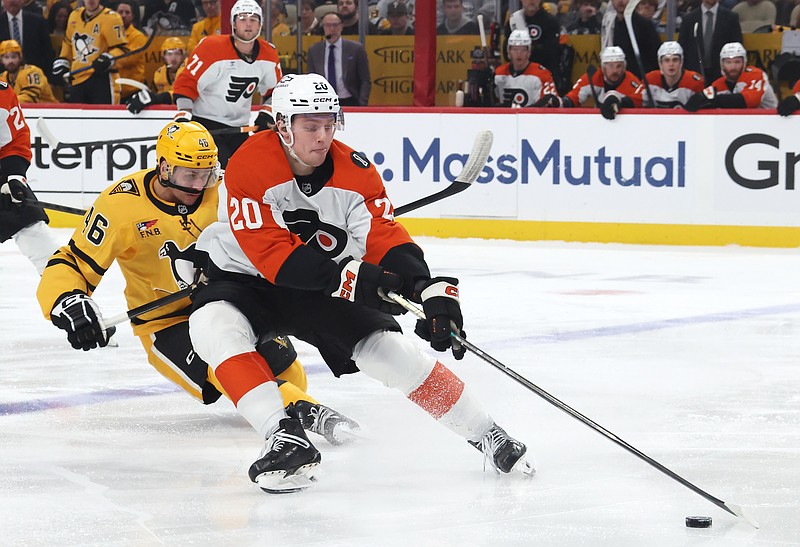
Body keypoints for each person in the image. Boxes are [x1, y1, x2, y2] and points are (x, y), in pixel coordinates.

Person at [187, 73, 533, 493]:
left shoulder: (357, 172)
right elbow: (272, 254)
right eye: (310, 126)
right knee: (211, 327)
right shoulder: (250, 162)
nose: (322, 136)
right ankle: (283, 435)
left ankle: (488, 434)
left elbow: (384, 237)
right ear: (282, 125)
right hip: (246, 280)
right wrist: (354, 279)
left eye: (329, 124)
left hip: (321, 286)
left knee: (389, 352)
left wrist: (425, 288)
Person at [35, 119, 360, 447]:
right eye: (190, 175)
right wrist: (68, 300)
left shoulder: (225, 187)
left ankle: (291, 398)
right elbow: (73, 262)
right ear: (163, 167)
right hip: (167, 323)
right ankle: (304, 412)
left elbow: (274, 229)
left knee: (294, 377)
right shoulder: (120, 206)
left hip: (232, 303)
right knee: (227, 370)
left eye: (206, 173)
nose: (199, 185)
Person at [171, 0, 282, 168]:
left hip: (240, 128)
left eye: (253, 19)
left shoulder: (269, 54)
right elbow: (186, 84)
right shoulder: (211, 48)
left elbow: (276, 92)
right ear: (233, 23)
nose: (248, 24)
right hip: (206, 125)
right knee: (220, 174)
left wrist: (266, 113)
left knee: (245, 173)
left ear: (260, 24)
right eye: (242, 18)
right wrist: (184, 115)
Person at [0, 81, 61, 274]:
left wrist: (14, 175)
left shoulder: (2, 93)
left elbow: (14, 140)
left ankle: (65, 290)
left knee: (33, 230)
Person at [52, 0, 129, 104]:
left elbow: (123, 50)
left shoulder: (111, 18)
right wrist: (64, 60)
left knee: (104, 118)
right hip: (77, 79)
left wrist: (109, 58)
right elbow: (68, 43)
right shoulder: (74, 16)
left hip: (102, 79)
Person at [684, 41, 777, 111]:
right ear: (722, 64)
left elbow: (748, 102)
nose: (733, 67)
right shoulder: (717, 84)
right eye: (728, 62)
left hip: (768, 126)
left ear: (744, 63)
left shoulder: (756, 75)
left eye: (737, 62)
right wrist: (699, 100)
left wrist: (713, 100)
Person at [307, 12, 371, 106]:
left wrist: (362, 104)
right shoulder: (314, 50)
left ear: (341, 27)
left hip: (350, 101)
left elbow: (365, 80)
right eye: (328, 25)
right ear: (323, 27)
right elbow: (311, 79)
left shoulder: (356, 49)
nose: (332, 29)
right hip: (323, 102)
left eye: (335, 25)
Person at [561, 45, 643, 119]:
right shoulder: (593, 76)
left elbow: (640, 103)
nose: (615, 71)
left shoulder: (632, 82)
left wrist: (623, 103)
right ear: (603, 67)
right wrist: (562, 102)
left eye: (619, 66)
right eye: (610, 66)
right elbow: (574, 96)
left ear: (624, 67)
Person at [678, 0, 743, 86]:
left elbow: (737, 46)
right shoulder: (689, 19)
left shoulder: (731, 17)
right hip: (694, 75)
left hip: (722, 75)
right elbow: (682, 48)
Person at [493, 29, 557, 107]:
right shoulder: (499, 73)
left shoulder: (541, 74)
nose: (519, 54)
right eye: (515, 49)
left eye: (523, 50)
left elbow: (551, 102)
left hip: (533, 118)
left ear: (529, 52)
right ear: (508, 51)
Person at [504, 0, 561, 85]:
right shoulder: (514, 21)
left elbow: (551, 52)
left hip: (543, 76)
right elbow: (506, 52)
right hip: (519, 76)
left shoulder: (550, 21)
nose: (531, 0)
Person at [602, 0, 661, 78]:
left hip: (640, 81)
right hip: (616, 79)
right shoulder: (609, 24)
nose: (620, 1)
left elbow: (654, 57)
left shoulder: (644, 24)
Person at [126, 36, 186, 114]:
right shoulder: (159, 73)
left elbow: (182, 93)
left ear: (183, 56)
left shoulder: (189, 70)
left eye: (177, 54)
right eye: (169, 54)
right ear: (163, 56)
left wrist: (158, 98)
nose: (173, 58)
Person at [636, 41, 704, 108]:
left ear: (681, 62)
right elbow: (635, 100)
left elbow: (706, 109)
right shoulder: (649, 80)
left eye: (675, 60)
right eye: (666, 60)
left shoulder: (695, 82)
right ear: (660, 64)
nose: (671, 64)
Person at [0, 0, 55, 82]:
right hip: (4, 80)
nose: (12, 1)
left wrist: (50, 80)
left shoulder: (37, 21)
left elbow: (48, 53)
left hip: (35, 77)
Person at [114, 0, 147, 103]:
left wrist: (108, 60)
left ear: (132, 16)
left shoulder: (138, 36)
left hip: (132, 90)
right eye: (120, 12)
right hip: (113, 89)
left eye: (127, 12)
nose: (123, 15)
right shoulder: (108, 34)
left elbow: (128, 60)